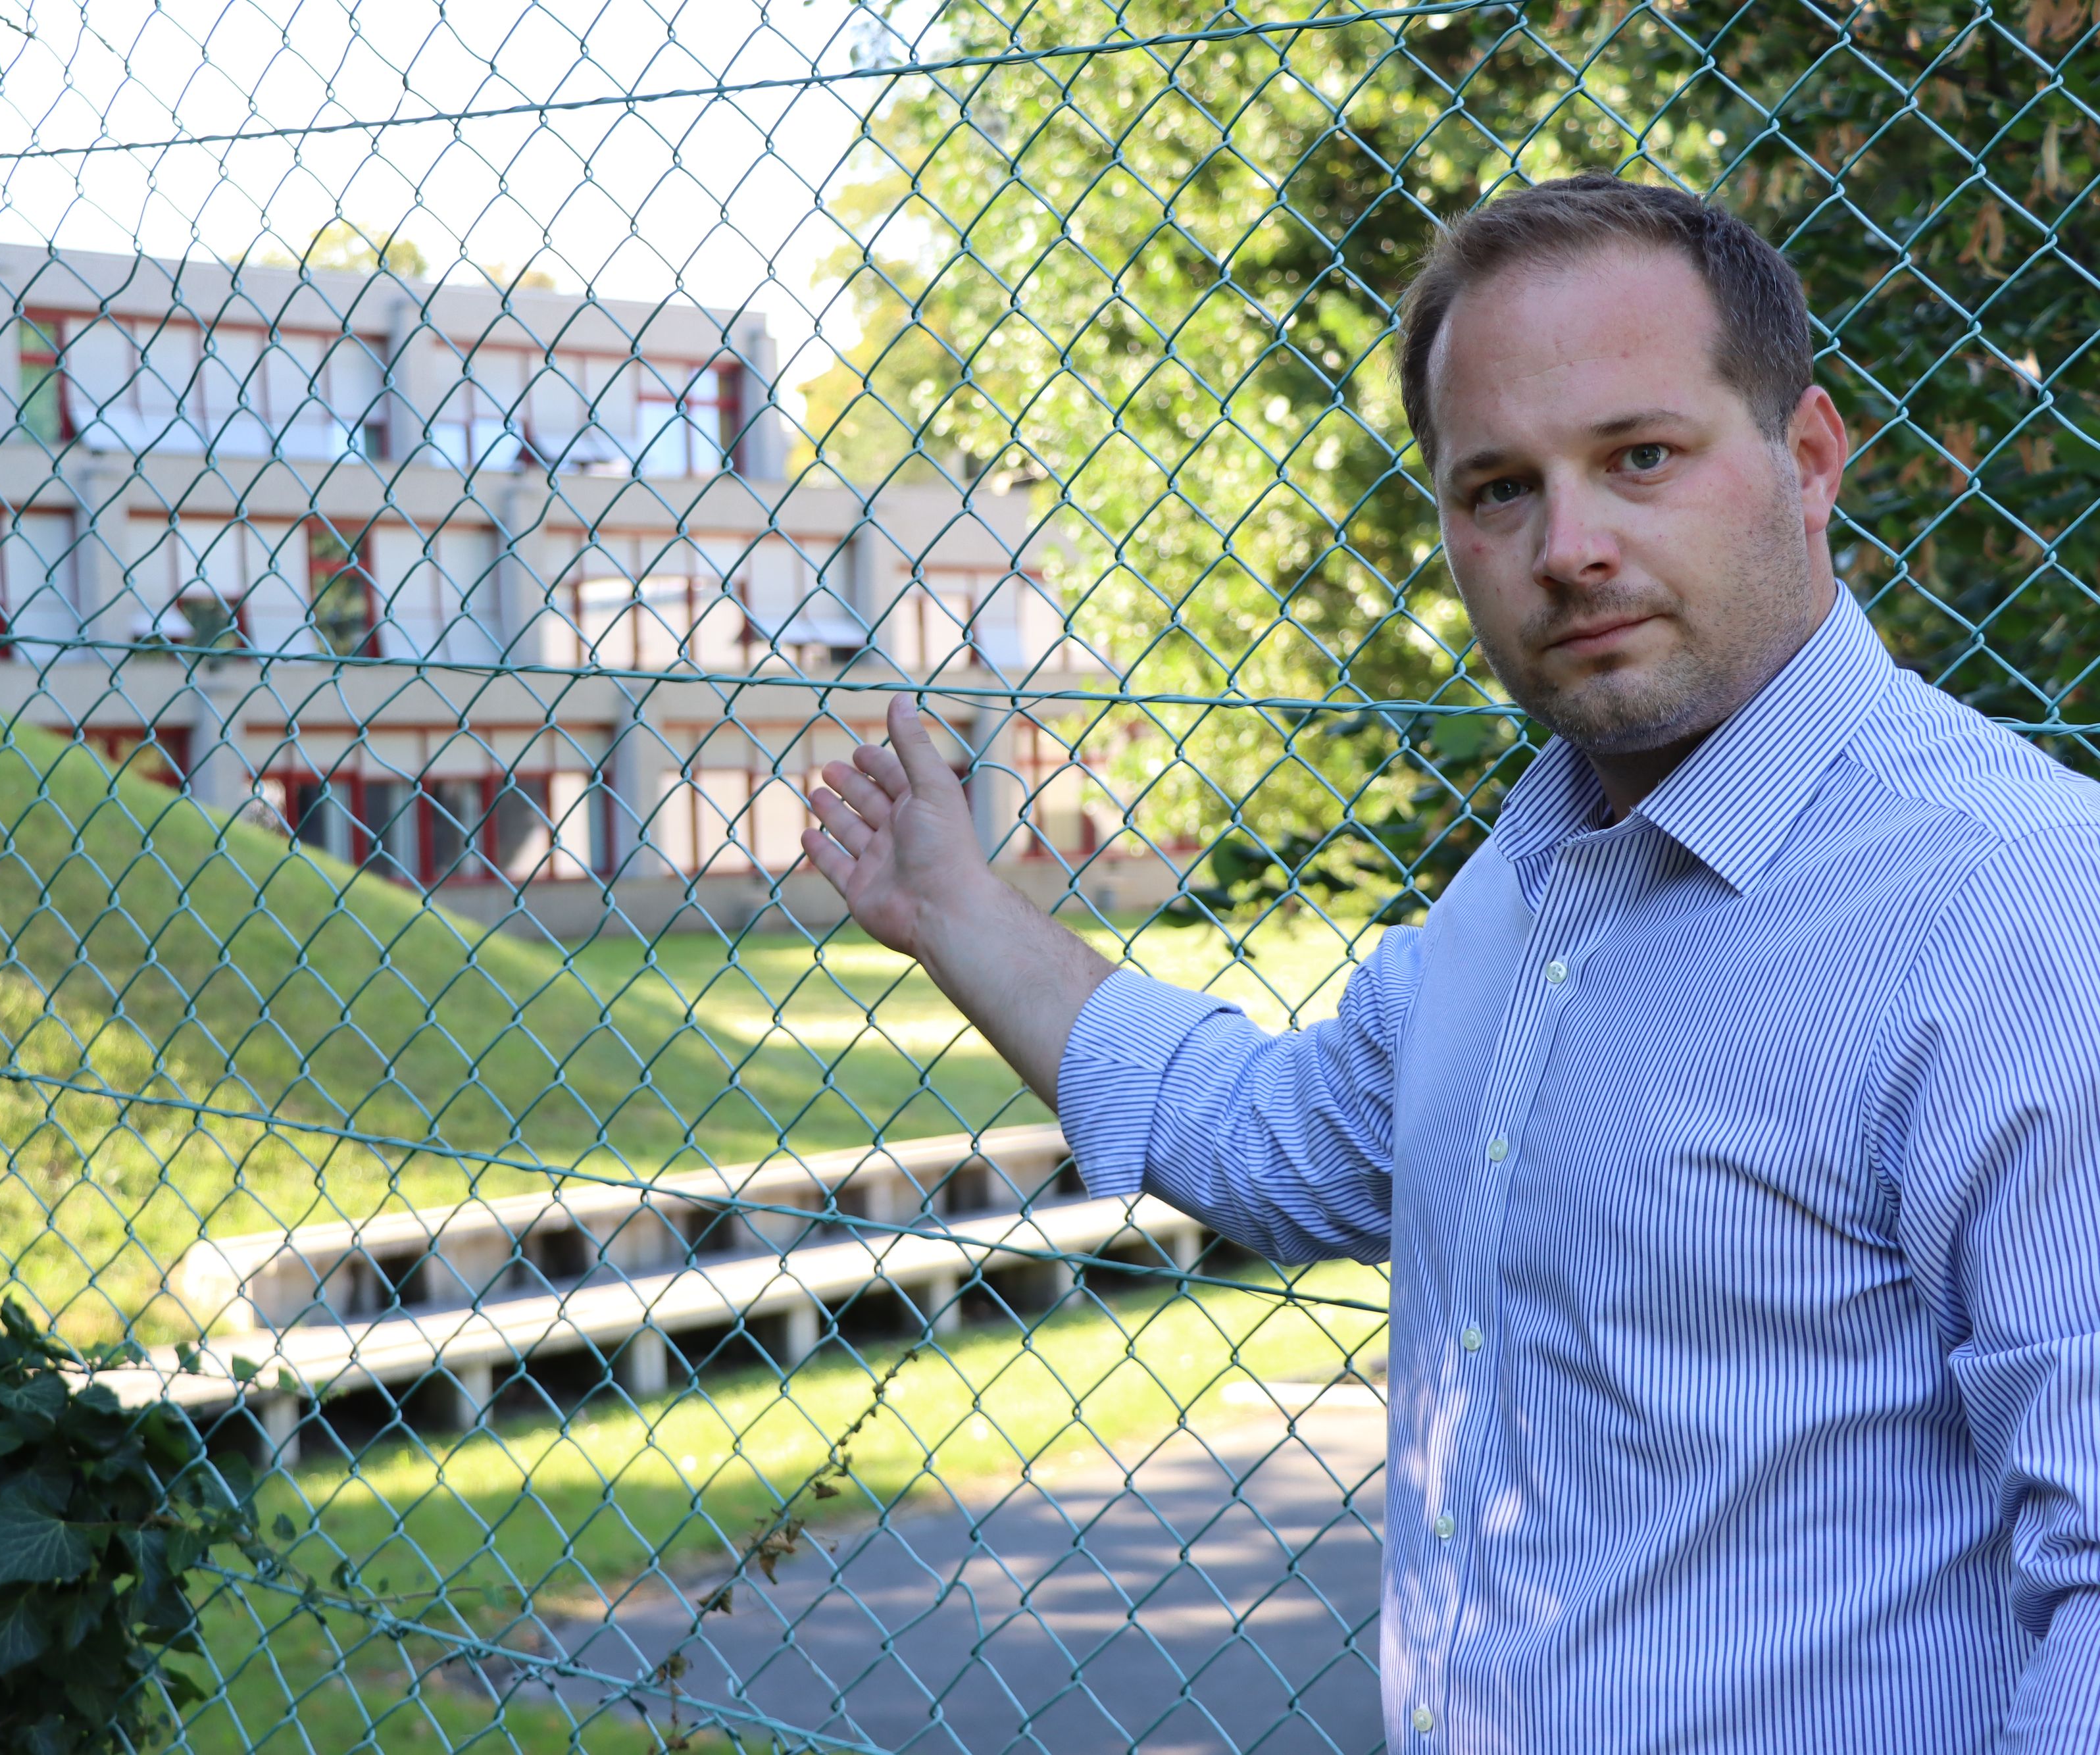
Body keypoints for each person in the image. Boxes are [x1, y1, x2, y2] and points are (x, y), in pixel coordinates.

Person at [799, 173, 2100, 1751]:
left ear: (1806, 458)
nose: (1567, 546)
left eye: (1639, 456)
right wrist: (953, 907)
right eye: (1496, 487)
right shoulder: (1525, 886)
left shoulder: (2019, 909)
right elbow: (1276, 1136)